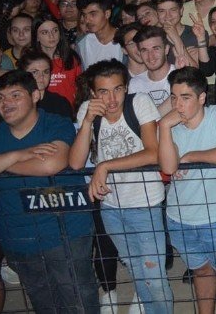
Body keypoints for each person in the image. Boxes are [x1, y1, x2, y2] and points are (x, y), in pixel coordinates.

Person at [69, 59, 173, 314]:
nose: (112, 98)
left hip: (144, 203)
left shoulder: (139, 103)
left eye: (117, 89)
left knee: (155, 278)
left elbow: (153, 153)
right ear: (94, 93)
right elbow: (75, 162)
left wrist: (105, 166)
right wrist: (86, 123)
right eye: (103, 91)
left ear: (126, 88)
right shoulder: (87, 110)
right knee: (137, 269)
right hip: (111, 206)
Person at [0, 70, 97, 313]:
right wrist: (16, 156)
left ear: (36, 95)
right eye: (1, 97)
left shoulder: (55, 123)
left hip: (65, 232)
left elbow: (52, 163)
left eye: (15, 95)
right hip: (17, 236)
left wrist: (0, 165)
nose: (6, 103)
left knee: (79, 300)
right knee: (43, 304)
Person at [158, 67, 216, 314]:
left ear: (202, 97)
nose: (178, 104)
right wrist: (163, 127)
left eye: (185, 97)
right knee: (201, 271)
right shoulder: (170, 126)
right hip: (180, 218)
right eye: (174, 97)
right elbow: (167, 166)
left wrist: (191, 156)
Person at [33, 15, 82, 109]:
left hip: (69, 111)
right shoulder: (31, 61)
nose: (51, 36)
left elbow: (79, 88)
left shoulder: (71, 58)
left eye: (55, 30)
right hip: (41, 112)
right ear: (37, 37)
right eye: (45, 32)